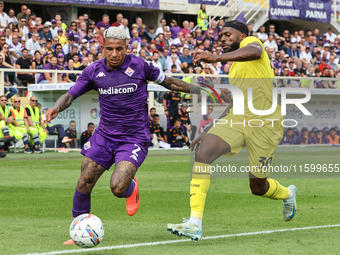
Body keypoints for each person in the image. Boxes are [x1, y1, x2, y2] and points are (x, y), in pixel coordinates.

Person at [44, 27, 202, 245]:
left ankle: (131, 188)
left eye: (119, 49)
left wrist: (200, 90)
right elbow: (71, 95)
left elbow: (170, 83)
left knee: (118, 188)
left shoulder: (141, 66)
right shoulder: (93, 71)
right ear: (102, 49)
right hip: (104, 136)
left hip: (133, 138)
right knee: (84, 180)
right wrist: (55, 108)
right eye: (109, 49)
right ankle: (78, 230)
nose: (115, 53)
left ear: (127, 47)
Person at [167, 20, 297, 241]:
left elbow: (254, 51)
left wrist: (215, 58)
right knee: (203, 153)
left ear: (242, 35)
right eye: (221, 37)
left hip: (265, 123)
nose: (223, 39)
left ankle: (288, 193)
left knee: (257, 187)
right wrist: (211, 128)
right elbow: (235, 100)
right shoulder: (235, 67)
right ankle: (194, 223)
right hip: (239, 118)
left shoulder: (252, 43)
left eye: (228, 35)